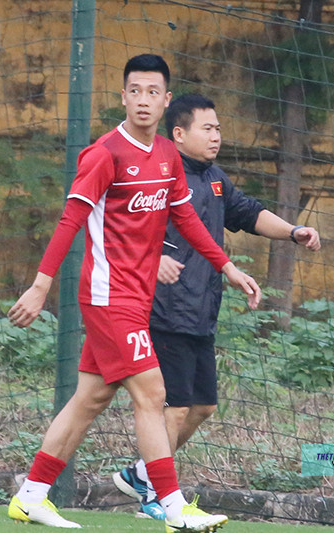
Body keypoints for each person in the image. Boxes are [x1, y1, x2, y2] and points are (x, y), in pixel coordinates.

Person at [6, 56, 260, 532]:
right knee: (154, 393)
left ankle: (32, 494)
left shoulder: (166, 155)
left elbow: (185, 218)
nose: (143, 100)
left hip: (136, 297)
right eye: (135, 91)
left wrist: (227, 267)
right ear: (123, 97)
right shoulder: (105, 154)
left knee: (90, 398)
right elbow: (70, 221)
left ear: (166, 100)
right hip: (107, 296)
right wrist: (41, 285)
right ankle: (173, 507)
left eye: (152, 92)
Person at [112, 94, 321, 518]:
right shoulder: (156, 175)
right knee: (172, 409)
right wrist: (153, 262)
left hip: (201, 311)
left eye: (219, 129)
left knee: (203, 407)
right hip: (163, 310)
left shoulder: (215, 179)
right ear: (178, 133)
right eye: (207, 128)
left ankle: (141, 475)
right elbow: (124, 230)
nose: (216, 136)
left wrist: (293, 231)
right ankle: (156, 498)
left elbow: (247, 212)